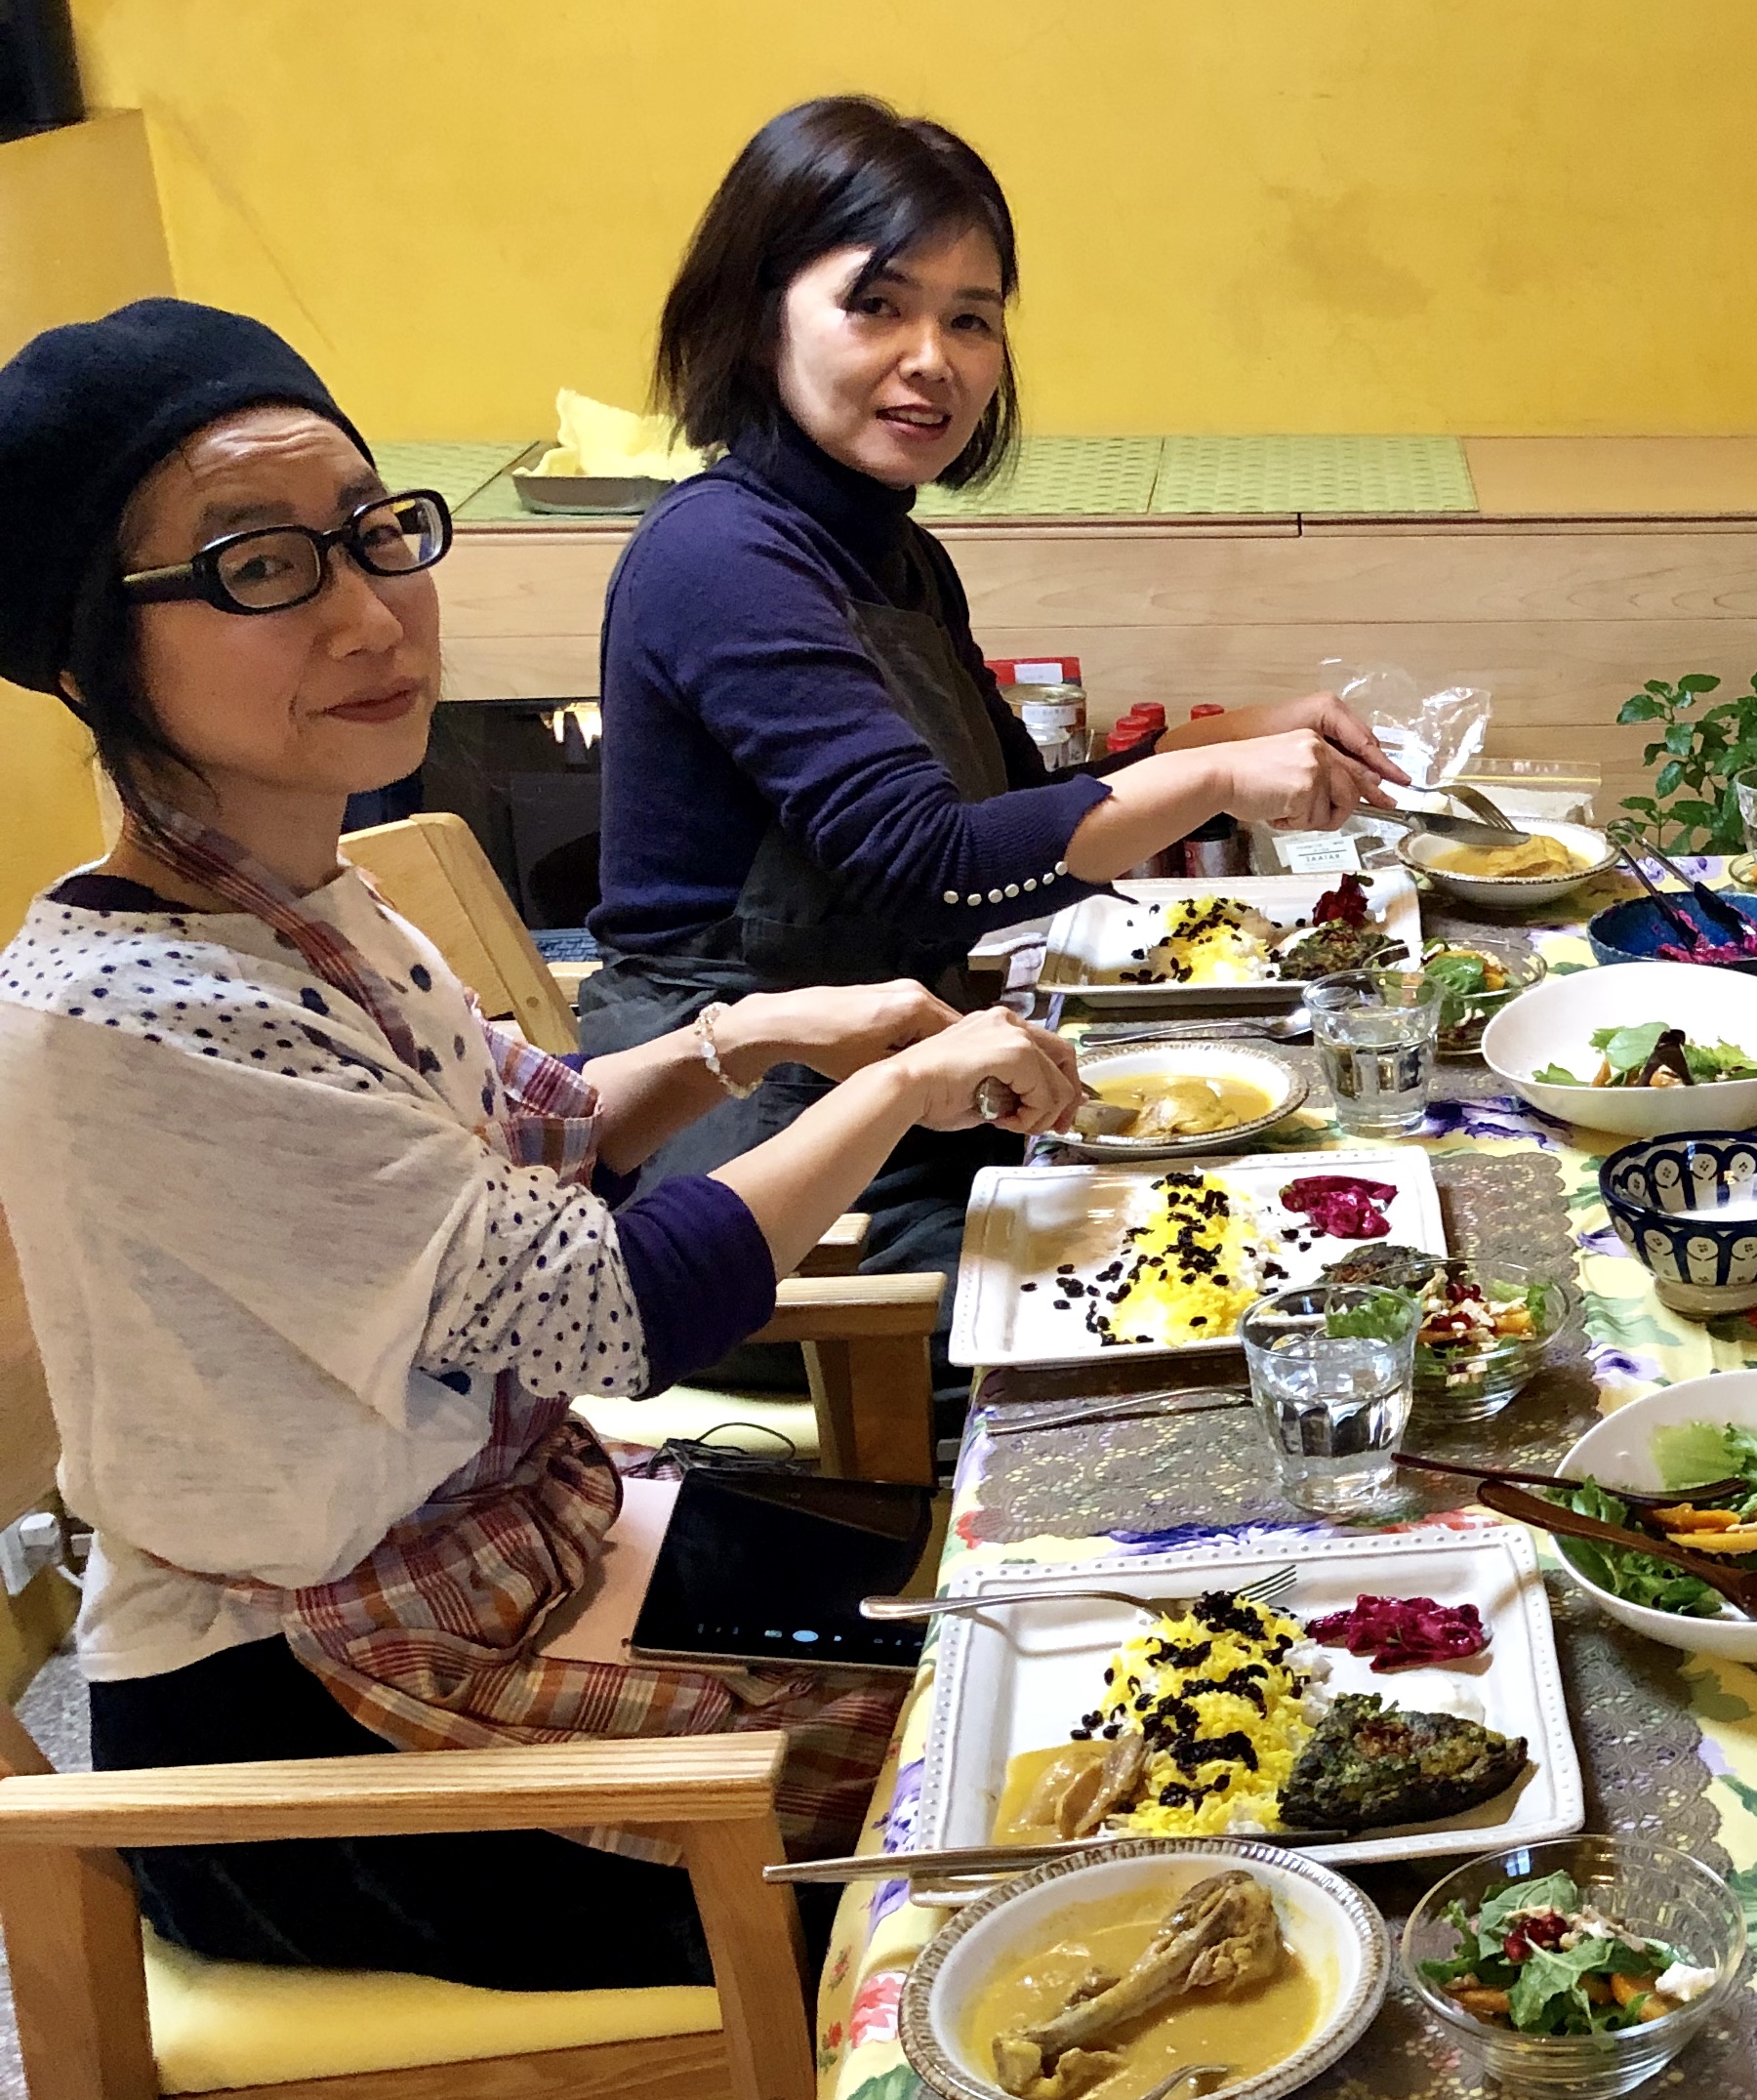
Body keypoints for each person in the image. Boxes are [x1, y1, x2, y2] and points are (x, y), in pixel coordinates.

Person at [0, 296, 1087, 1994]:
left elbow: (539, 1128)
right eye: (260, 567)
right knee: (985, 1856)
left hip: (510, 1544)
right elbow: (604, 1310)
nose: (368, 611)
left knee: (1031, 1640)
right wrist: (897, 1087)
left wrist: (764, 1031)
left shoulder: (298, 903)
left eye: (373, 533)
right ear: (87, 646)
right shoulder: (129, 1010)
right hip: (295, 1734)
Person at [576, 96, 1396, 1279]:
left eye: (972, 318)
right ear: (758, 320)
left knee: (1304, 1194)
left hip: (914, 1074)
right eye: (878, 305)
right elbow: (945, 870)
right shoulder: (722, 557)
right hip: (755, 1142)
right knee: (1246, 1281)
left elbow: (1012, 818)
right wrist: (1210, 773)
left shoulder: (890, 550)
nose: (934, 359)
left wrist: (1222, 739)